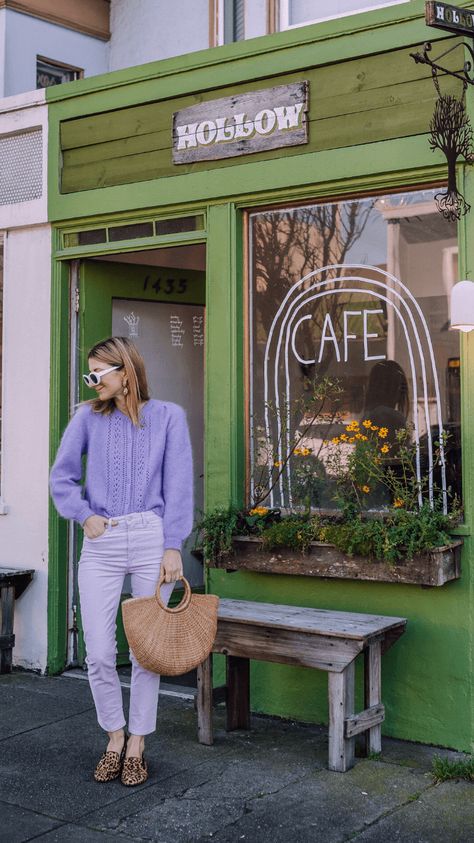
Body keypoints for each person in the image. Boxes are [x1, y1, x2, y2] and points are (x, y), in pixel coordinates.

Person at [50, 336, 194, 786]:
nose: (92, 382)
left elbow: (179, 486)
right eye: (89, 374)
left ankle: (137, 743)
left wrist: (174, 546)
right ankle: (114, 734)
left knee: (145, 652)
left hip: (151, 539)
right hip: (103, 542)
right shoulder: (86, 418)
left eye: (99, 373)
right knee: (98, 651)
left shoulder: (169, 417)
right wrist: (85, 515)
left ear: (125, 371)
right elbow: (62, 477)